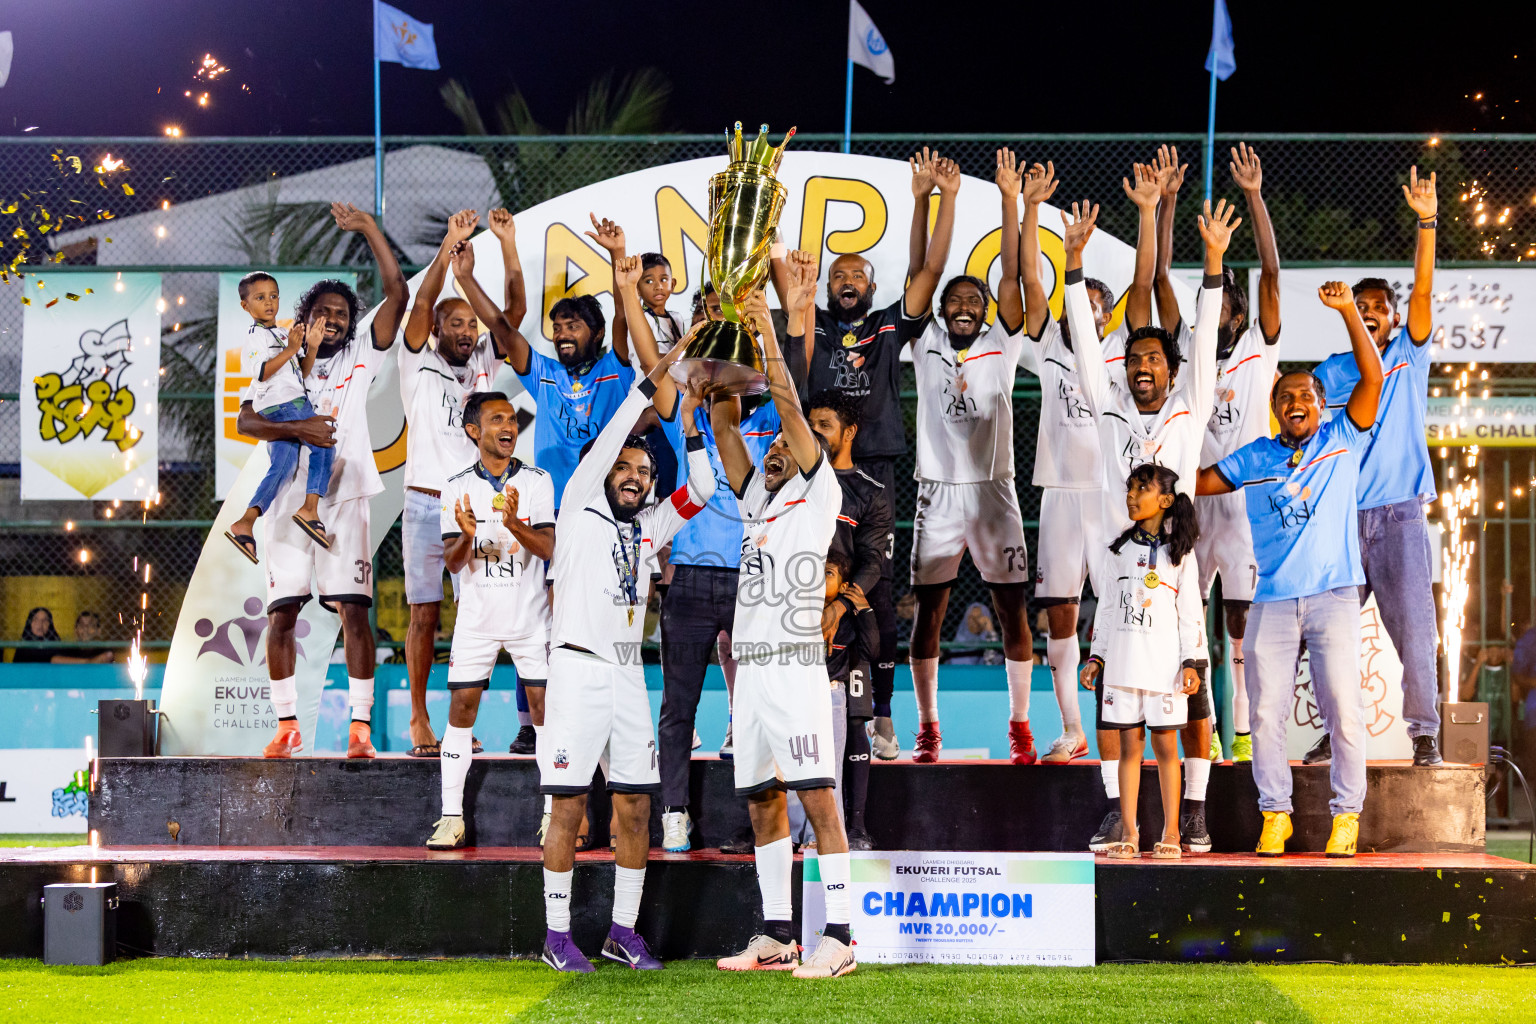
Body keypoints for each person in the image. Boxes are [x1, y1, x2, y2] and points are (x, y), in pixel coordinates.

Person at [537, 339, 715, 974]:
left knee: (636, 804)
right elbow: (619, 426)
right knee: (567, 805)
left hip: (627, 676)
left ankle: (620, 931)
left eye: (644, 473)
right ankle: (557, 936)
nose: (636, 477)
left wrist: (691, 422)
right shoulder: (580, 501)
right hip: (578, 667)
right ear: (604, 470)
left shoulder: (649, 527)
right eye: (626, 468)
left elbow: (701, 485)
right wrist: (671, 361)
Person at [1063, 188, 1230, 854]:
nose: (1141, 369)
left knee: (1190, 694)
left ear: (1172, 369)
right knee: (1116, 695)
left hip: (1177, 573)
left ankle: (1192, 809)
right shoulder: (1109, 410)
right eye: (1133, 361)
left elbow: (1208, 332)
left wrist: (1214, 266)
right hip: (1119, 570)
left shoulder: (1190, 406)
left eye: (1153, 360)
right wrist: (1073, 271)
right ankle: (1118, 814)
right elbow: (1082, 342)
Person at [1196, 280, 1383, 858]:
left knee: (1343, 711)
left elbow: (1372, 378)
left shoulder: (1341, 438)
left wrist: (1349, 311)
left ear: (1320, 403)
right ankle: (1274, 814)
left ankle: (1345, 816)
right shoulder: (1255, 455)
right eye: (1285, 398)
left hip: (1332, 597)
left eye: (1305, 395)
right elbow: (1198, 483)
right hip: (1271, 600)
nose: (1295, 403)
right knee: (1267, 711)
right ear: (1275, 406)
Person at [782, 149, 959, 759]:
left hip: (873, 468)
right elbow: (793, 355)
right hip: (812, 469)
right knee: (807, 585)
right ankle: (801, 702)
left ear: (872, 285)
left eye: (856, 275)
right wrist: (800, 293)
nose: (847, 283)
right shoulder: (816, 325)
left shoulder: (888, 325)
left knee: (874, 594)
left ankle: (882, 719)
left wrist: (936, 200)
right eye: (838, 277)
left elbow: (929, 272)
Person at [614, 255, 781, 853]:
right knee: (676, 707)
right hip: (687, 580)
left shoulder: (765, 408)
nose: (719, 328)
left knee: (759, 710)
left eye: (726, 319)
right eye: (709, 316)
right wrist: (628, 288)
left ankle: (755, 824)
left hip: (751, 577)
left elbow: (794, 366)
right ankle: (676, 812)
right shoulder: (680, 398)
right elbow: (645, 354)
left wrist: (765, 321)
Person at [711, 291, 854, 981]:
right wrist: (721, 337)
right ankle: (776, 934)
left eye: (783, 447)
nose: (772, 449)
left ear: (808, 455)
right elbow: (720, 420)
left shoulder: (818, 493)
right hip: (753, 670)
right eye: (767, 446)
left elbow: (790, 409)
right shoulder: (755, 501)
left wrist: (763, 325)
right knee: (763, 797)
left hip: (797, 666)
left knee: (817, 798)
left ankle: (842, 935)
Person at [237, 202, 409, 760]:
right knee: (281, 612)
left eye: (341, 312)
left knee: (353, 609)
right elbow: (245, 420)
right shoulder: (281, 358)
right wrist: (305, 427)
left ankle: (360, 729)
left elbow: (398, 294)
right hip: (289, 500)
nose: (332, 319)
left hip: (345, 496)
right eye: (322, 311)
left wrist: (367, 229)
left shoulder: (363, 353)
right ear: (303, 318)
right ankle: (287, 725)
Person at [1150, 144, 1282, 766]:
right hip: (1195, 504)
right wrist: (1169, 202)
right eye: (1218, 302)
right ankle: (1193, 730)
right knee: (1188, 625)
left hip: (1246, 508)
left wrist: (1254, 196)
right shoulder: (1190, 346)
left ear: (1241, 307)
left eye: (1231, 301)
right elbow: (1157, 282)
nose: (1223, 310)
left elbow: (1273, 274)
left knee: (1240, 629)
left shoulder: (1260, 341)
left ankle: (1246, 733)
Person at [1309, 166, 1443, 767]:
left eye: (1378, 308)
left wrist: (1426, 223)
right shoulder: (1332, 372)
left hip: (1399, 518)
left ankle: (1424, 734)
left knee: (1415, 632)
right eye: (1360, 307)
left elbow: (1421, 293)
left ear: (1392, 319)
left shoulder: (1409, 355)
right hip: (1339, 521)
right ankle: (1330, 731)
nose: (1370, 314)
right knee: (1325, 636)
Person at [906, 148, 1035, 763]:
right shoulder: (925, 338)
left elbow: (1011, 278)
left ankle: (1020, 724)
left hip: (994, 491)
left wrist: (1010, 201)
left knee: (1012, 606)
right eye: (953, 300)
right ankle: (928, 726)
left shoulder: (1001, 344)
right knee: (928, 611)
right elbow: (919, 274)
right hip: (937, 491)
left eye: (971, 302)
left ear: (984, 313)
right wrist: (929, 200)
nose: (961, 306)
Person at [1019, 159, 1139, 765]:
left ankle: (1126, 723)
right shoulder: (1046, 347)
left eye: (1097, 301)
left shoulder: (1121, 352)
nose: (1086, 308)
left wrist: (1151, 211)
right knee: (1058, 613)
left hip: (1112, 495)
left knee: (1123, 609)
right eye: (1080, 298)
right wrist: (1030, 212)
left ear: (1108, 316)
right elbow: (1033, 288)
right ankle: (1072, 727)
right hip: (1061, 493)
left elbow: (1145, 286)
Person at [396, 210, 513, 758]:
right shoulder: (416, 358)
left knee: (478, 615)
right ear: (439, 329)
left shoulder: (483, 360)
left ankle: (459, 727)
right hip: (425, 504)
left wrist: (496, 255)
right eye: (457, 324)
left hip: (479, 505)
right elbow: (421, 303)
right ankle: (419, 718)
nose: (468, 331)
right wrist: (448, 246)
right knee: (425, 614)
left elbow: (511, 316)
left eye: (471, 325)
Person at [426, 392, 556, 851]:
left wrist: (514, 523)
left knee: (545, 714)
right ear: (473, 431)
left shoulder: (539, 482)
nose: (509, 426)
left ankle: (551, 817)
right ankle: (451, 817)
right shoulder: (456, 486)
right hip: (477, 621)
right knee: (461, 712)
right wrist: (466, 533)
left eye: (512, 420)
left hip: (530, 619)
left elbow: (547, 549)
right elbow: (454, 563)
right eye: (496, 419)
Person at [1081, 464, 1204, 859]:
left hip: (1164, 670)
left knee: (1167, 748)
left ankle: (1171, 833)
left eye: (1142, 489)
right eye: (1129, 488)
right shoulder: (1117, 552)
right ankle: (1130, 832)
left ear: (1166, 501)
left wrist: (1189, 663)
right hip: (1122, 669)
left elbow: (1190, 614)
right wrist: (1097, 657)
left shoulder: (1181, 554)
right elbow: (1106, 611)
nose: (1131, 495)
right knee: (1129, 751)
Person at [223, 274, 332, 564]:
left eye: (274, 295)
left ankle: (245, 522)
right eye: (260, 298)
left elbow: (301, 373)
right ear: (245, 306)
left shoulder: (284, 334)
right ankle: (310, 508)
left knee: (283, 466)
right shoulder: (255, 336)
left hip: (290, 399)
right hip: (281, 404)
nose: (269, 302)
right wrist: (291, 350)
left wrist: (313, 345)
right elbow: (261, 372)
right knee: (323, 441)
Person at [823, 550, 880, 850]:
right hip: (798, 696)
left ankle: (826, 835)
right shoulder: (800, 609)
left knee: (831, 770)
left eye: (828, 574)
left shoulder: (847, 618)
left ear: (844, 586)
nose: (819, 581)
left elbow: (871, 651)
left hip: (834, 694)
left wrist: (864, 609)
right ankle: (796, 834)